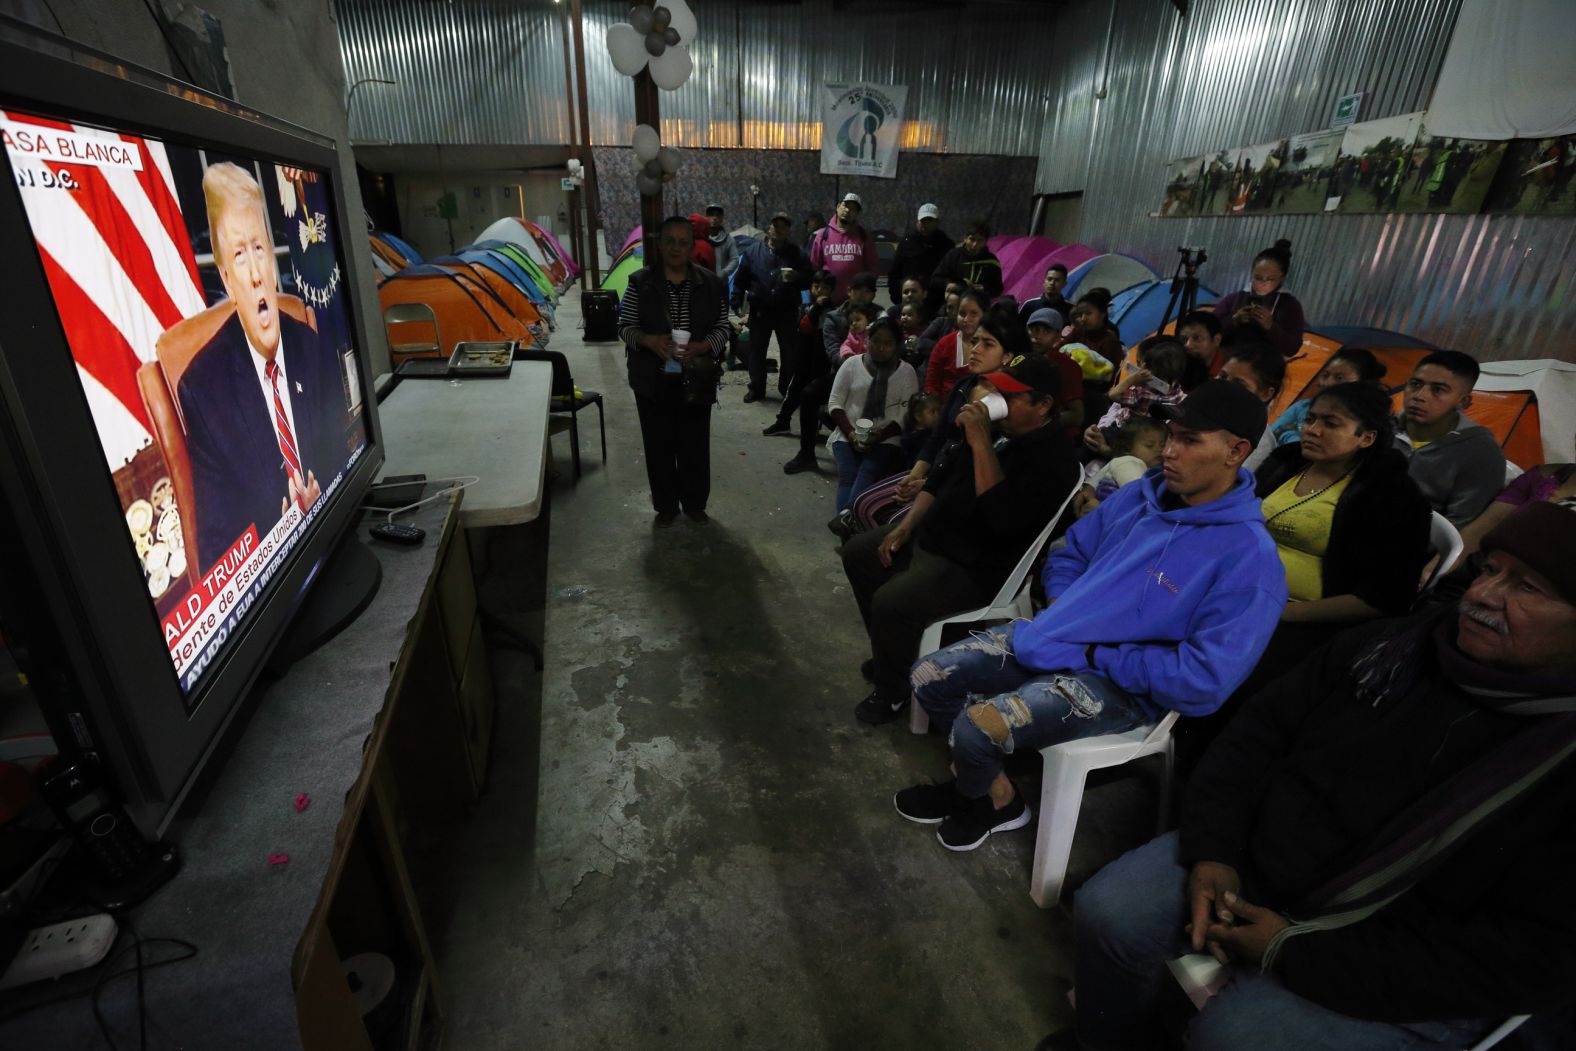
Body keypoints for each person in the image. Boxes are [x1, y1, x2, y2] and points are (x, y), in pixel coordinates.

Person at [1058, 500, 1576, 1051]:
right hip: (1261, 858)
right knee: (1108, 914)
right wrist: (1216, 850)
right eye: (1491, 569)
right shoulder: (1397, 647)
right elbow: (1259, 731)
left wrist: (1295, 952)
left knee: (1236, 1038)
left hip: (1393, 946)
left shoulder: (1555, 755)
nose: (1481, 596)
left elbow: (1532, 955)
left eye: (1527, 588)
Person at [894, 380, 1286, 849]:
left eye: (1189, 441)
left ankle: (977, 792)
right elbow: (1068, 553)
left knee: (978, 726)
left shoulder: (1249, 561)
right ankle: (994, 795)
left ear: (1236, 451)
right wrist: (1065, 606)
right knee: (928, 674)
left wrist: (1101, 653)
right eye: (1170, 435)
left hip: (1125, 685)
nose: (1168, 452)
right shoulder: (1140, 497)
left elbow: (1202, 680)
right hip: (1065, 637)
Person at [842, 354, 1082, 725]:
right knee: (860, 553)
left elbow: (1000, 521)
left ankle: (894, 693)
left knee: (892, 601)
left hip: (976, 566)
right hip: (936, 538)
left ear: (1044, 405)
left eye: (1011, 395)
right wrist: (904, 528)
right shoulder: (1006, 433)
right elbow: (940, 478)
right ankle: (893, 653)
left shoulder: (1054, 460)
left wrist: (982, 440)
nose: (998, 399)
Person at [179, 161, 348, 570]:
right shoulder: (202, 391)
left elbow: (342, 459)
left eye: (259, 248)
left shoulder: (309, 345)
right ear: (225, 277)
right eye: (239, 255)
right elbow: (220, 552)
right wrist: (284, 533)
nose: (256, 274)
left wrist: (323, 498)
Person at [853, 313, 1023, 531]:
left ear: (1007, 356)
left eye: (987, 344)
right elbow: (937, 438)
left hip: (962, 485)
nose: (976, 349)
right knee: (862, 506)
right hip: (934, 471)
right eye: (974, 342)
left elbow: (977, 465)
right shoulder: (964, 386)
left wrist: (928, 485)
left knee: (894, 524)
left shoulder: (1007, 404)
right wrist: (914, 475)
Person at [617, 215, 730, 525]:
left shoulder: (711, 284)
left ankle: (695, 503)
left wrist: (704, 346)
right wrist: (648, 340)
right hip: (651, 380)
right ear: (660, 245)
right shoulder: (641, 283)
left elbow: (723, 326)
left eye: (683, 242)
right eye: (670, 242)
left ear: (692, 246)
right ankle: (665, 504)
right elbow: (624, 326)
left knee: (695, 443)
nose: (676, 248)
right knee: (658, 443)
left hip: (696, 378)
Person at [1393, 351, 1506, 525]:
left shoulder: (1481, 452)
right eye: (1415, 384)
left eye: (1438, 390)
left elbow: (1460, 525)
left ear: (1463, 401)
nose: (1419, 396)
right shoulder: (1383, 427)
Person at [781, 272, 878, 474]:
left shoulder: (880, 316)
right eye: (857, 289)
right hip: (845, 373)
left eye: (868, 291)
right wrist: (855, 365)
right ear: (849, 291)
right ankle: (806, 454)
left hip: (877, 375)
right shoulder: (834, 317)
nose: (862, 295)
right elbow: (833, 351)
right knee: (809, 394)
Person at [827, 318, 919, 521]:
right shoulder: (852, 364)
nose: (881, 348)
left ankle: (845, 521)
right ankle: (848, 521)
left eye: (888, 344)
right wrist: (850, 433)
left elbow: (906, 414)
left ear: (897, 346)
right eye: (876, 341)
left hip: (886, 438)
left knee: (868, 470)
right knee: (848, 475)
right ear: (868, 340)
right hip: (847, 433)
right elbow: (835, 403)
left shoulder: (906, 373)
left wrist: (878, 435)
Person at [731, 212, 810, 403]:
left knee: (789, 353)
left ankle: (786, 389)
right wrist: (736, 300)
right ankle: (757, 389)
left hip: (787, 310)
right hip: (760, 311)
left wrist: (796, 277)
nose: (779, 229)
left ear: (788, 231)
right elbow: (740, 279)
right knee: (757, 351)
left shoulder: (797, 253)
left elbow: (810, 277)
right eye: (776, 225)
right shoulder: (752, 252)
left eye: (784, 226)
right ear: (769, 228)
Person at [763, 269, 836, 439]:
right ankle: (782, 422)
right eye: (816, 286)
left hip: (820, 359)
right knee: (793, 391)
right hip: (803, 355)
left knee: (815, 396)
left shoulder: (831, 309)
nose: (819, 291)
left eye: (825, 288)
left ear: (831, 291)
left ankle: (813, 430)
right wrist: (815, 307)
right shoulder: (806, 300)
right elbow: (803, 325)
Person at [1269, 347, 1385, 446]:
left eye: (1339, 378)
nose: (1326, 383)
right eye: (1325, 375)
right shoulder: (1303, 406)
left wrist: (1288, 435)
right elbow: (1271, 435)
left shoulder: (1363, 421)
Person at [1212, 239, 1307, 358]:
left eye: (1270, 279)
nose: (1263, 283)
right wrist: (1233, 320)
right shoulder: (1234, 299)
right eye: (1258, 277)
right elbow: (1210, 330)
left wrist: (1271, 327)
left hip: (1264, 369)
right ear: (1251, 272)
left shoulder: (1290, 306)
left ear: (1282, 278)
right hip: (1228, 363)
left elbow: (1292, 348)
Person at [1073, 415, 1167, 519]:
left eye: (1162, 445)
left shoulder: (1118, 460)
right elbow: (1137, 501)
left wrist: (1089, 494)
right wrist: (1101, 509)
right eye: (1150, 445)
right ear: (1128, 447)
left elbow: (1090, 484)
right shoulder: (1130, 462)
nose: (1159, 450)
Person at [1095, 336, 1187, 433]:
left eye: (1140, 364)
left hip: (1127, 432)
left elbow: (1113, 394)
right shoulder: (1178, 394)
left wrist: (1132, 379)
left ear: (1147, 370)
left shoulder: (1142, 393)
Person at [808, 192, 879, 303]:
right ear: (838, 207)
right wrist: (809, 300)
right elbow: (813, 270)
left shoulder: (864, 236)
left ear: (857, 213)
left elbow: (872, 269)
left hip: (855, 302)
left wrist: (865, 294)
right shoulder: (822, 235)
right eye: (845, 206)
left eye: (853, 209)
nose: (847, 211)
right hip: (827, 301)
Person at [1025, 307, 1084, 435]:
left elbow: (1077, 415)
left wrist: (1035, 421)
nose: (1038, 336)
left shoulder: (1066, 365)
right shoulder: (1022, 359)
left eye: (1046, 331)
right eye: (1034, 329)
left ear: (1057, 337)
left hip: (1057, 435)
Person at [887, 203, 953, 306]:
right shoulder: (906, 243)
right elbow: (894, 273)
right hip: (908, 302)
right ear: (918, 221)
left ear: (937, 222)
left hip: (937, 304)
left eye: (929, 220)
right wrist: (897, 298)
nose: (925, 224)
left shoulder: (947, 245)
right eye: (923, 220)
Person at [924, 291, 987, 395]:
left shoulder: (991, 346)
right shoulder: (944, 344)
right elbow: (932, 383)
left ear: (985, 315)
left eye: (973, 314)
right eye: (962, 314)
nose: (966, 319)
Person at [930, 221, 1003, 300]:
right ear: (965, 238)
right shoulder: (953, 255)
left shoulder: (992, 261)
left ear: (986, 242)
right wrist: (948, 283)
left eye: (980, 240)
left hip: (979, 306)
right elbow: (935, 279)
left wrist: (984, 288)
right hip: (955, 302)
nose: (975, 244)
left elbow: (998, 289)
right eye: (972, 239)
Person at [1177, 309, 1225, 391]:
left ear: (1216, 340)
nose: (1188, 345)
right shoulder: (1179, 363)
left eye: (1196, 338)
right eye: (1184, 339)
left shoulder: (1229, 374)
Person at [702, 203, 739, 279]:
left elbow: (735, 259)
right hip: (704, 282)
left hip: (721, 283)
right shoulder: (702, 238)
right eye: (711, 215)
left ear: (722, 219)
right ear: (706, 217)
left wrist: (724, 273)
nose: (714, 218)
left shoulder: (728, 239)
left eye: (718, 215)